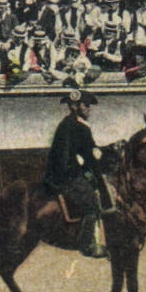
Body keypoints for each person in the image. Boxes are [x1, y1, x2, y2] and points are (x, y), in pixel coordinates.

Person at [43, 89, 108, 259]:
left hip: (71, 172)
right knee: (91, 204)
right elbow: (67, 158)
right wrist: (85, 170)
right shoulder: (71, 126)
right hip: (64, 176)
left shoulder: (77, 124)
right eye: (86, 105)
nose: (89, 109)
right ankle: (87, 246)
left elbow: (88, 151)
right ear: (75, 106)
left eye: (88, 106)